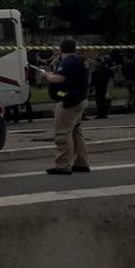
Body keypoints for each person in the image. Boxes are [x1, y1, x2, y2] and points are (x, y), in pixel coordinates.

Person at [38, 39, 89, 175]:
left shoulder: (67, 62)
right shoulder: (78, 61)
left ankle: (63, 165)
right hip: (79, 99)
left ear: (61, 49)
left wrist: (47, 75)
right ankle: (81, 162)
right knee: (76, 132)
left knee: (62, 133)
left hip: (69, 101)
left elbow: (58, 79)